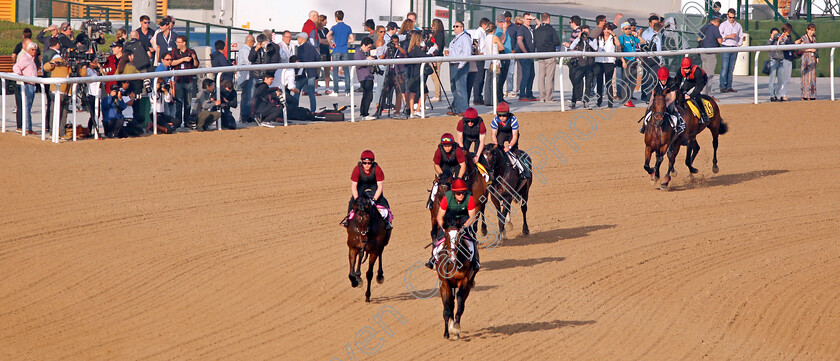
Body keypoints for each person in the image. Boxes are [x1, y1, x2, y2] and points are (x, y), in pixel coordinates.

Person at [425, 178, 479, 270]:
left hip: (464, 219)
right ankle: (433, 259)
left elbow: (472, 217)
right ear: (454, 193)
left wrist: (464, 227)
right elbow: (439, 216)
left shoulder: (469, 198)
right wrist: (443, 228)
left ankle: (475, 260)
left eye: (463, 192)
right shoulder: (446, 198)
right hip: (449, 219)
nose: (461, 195)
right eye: (458, 193)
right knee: (438, 238)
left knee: (471, 239)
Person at [341, 150, 392, 230]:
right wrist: (357, 199)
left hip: (374, 185)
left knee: (382, 200)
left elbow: (380, 187)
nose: (367, 165)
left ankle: (386, 221)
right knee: (352, 201)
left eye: (369, 163)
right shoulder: (357, 169)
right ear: (362, 162)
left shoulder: (377, 169)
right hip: (362, 185)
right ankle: (348, 220)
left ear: (372, 162)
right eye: (364, 163)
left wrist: (374, 199)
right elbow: (354, 186)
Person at [43, 52, 87, 139]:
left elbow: (82, 74)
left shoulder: (75, 64)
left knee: (64, 113)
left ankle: (62, 132)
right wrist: (53, 63)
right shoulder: (58, 60)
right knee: (54, 112)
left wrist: (84, 66)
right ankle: (53, 132)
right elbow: (46, 67)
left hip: (68, 91)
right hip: (56, 90)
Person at [491, 102, 530, 178]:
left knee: (515, 151)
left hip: (511, 134)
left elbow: (515, 136)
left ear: (508, 114)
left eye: (504, 115)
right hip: (501, 133)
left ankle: (524, 171)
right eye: (499, 115)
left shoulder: (513, 119)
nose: (502, 117)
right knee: (498, 151)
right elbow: (493, 135)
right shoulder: (495, 120)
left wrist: (509, 147)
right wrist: (496, 145)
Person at [639, 67, 681, 134]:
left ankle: (679, 125)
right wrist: (650, 104)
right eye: (662, 80)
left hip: (669, 100)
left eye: (665, 79)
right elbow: (653, 95)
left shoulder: (672, 82)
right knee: (648, 110)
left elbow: (673, 97)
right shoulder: (655, 82)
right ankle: (644, 127)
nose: (663, 81)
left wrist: (666, 104)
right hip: (658, 100)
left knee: (674, 110)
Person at [170, 35, 199, 127]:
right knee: (178, 102)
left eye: (179, 42)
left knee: (188, 103)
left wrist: (193, 58)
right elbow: (172, 62)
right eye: (176, 42)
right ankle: (178, 122)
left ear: (184, 43)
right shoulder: (175, 52)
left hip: (188, 80)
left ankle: (187, 122)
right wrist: (183, 59)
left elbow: (196, 65)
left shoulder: (191, 51)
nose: (177, 44)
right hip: (179, 80)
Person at [405, 32, 435, 118]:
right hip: (417, 73)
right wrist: (431, 54)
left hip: (414, 73)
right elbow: (424, 57)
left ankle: (413, 111)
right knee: (421, 92)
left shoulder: (412, 48)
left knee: (415, 92)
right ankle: (416, 110)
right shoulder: (416, 49)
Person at [569, 25, 598, 109]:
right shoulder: (578, 40)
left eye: (587, 32)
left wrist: (587, 40)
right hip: (579, 65)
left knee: (588, 85)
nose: (586, 34)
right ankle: (573, 101)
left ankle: (586, 101)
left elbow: (595, 48)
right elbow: (571, 47)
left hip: (589, 65)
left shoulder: (593, 40)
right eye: (584, 32)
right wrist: (578, 38)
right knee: (576, 83)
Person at [534, 13, 561, 103]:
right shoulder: (551, 30)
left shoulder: (537, 30)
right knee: (549, 77)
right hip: (550, 55)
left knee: (541, 77)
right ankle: (549, 97)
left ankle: (542, 97)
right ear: (548, 19)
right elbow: (557, 42)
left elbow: (535, 42)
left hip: (540, 55)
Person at [12, 41, 38, 135]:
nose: (34, 51)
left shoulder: (31, 59)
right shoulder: (26, 58)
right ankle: (27, 128)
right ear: (28, 50)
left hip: (32, 85)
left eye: (35, 50)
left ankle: (28, 127)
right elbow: (16, 67)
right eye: (32, 49)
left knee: (28, 107)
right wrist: (21, 76)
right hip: (27, 85)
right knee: (26, 107)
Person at [447, 21, 472, 116]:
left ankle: (464, 109)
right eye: (454, 26)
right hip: (452, 64)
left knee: (460, 88)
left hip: (460, 65)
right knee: (454, 88)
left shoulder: (465, 38)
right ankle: (457, 109)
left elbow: (467, 52)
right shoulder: (455, 39)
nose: (455, 28)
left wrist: (461, 65)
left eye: (457, 26)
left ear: (462, 27)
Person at [675, 57, 709, 124]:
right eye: (684, 68)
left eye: (687, 68)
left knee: (696, 96)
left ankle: (703, 114)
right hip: (690, 79)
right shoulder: (680, 70)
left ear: (691, 66)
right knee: (681, 92)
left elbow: (699, 86)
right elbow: (677, 83)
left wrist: (691, 95)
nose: (686, 70)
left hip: (701, 80)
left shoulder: (697, 71)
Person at [618, 21, 644, 107]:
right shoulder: (622, 38)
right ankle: (625, 99)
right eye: (626, 29)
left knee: (633, 81)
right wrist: (623, 61)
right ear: (622, 30)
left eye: (629, 28)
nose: (628, 30)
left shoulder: (632, 37)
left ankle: (629, 96)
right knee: (626, 80)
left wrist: (637, 35)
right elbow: (619, 50)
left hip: (634, 60)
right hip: (627, 60)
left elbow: (642, 41)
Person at [329, 10, 354, 96]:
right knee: (346, 71)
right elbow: (352, 39)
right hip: (344, 50)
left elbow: (328, 35)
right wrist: (345, 41)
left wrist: (331, 42)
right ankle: (348, 91)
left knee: (335, 71)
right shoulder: (348, 27)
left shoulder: (334, 27)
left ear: (336, 18)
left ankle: (336, 91)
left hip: (336, 50)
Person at [594, 24, 620, 108]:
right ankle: (599, 101)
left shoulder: (612, 38)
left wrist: (613, 34)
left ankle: (610, 102)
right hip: (599, 61)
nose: (606, 31)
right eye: (605, 29)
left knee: (608, 82)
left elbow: (618, 44)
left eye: (608, 29)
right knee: (599, 82)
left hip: (609, 62)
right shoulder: (599, 38)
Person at [718, 9, 743, 93]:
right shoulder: (723, 25)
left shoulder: (738, 25)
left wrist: (739, 44)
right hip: (725, 46)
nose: (732, 19)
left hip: (734, 47)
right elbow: (719, 34)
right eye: (730, 17)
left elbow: (741, 35)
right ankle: (722, 86)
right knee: (725, 67)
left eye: (733, 17)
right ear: (727, 16)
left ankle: (729, 86)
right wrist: (728, 36)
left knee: (731, 68)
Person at [295, 32, 320, 112]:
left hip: (302, 73)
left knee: (297, 91)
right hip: (312, 72)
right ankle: (313, 110)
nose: (297, 39)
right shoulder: (312, 48)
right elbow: (318, 58)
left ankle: (295, 109)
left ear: (302, 38)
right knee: (311, 93)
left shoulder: (299, 48)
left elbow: (299, 60)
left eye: (298, 38)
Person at [697, 17, 722, 96]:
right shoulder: (715, 28)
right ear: (717, 23)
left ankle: (703, 92)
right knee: (709, 74)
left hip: (702, 53)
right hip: (710, 53)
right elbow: (720, 41)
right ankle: (708, 94)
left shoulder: (704, 27)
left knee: (704, 74)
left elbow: (698, 39)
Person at [516, 13, 537, 101]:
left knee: (532, 74)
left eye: (530, 19)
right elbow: (519, 40)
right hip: (525, 55)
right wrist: (525, 52)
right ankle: (522, 94)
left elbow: (539, 24)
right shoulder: (522, 29)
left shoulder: (531, 28)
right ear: (523, 19)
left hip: (531, 55)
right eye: (527, 19)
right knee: (526, 74)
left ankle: (529, 93)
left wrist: (534, 18)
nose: (529, 21)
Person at [796, 23, 818, 100]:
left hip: (812, 58)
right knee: (805, 76)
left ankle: (812, 95)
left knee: (812, 76)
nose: (812, 32)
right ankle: (805, 95)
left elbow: (816, 48)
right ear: (807, 30)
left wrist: (817, 56)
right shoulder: (804, 38)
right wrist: (809, 49)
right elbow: (800, 48)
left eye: (813, 30)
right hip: (806, 58)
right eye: (811, 30)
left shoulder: (814, 38)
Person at [356, 37, 377, 120]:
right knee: (367, 95)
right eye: (368, 47)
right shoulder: (358, 52)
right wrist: (367, 59)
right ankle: (364, 114)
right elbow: (358, 64)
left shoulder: (364, 53)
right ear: (364, 45)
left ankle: (364, 113)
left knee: (368, 95)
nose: (369, 49)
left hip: (368, 76)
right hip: (364, 77)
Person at [774, 23, 795, 102]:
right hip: (784, 59)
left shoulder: (789, 37)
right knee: (783, 78)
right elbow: (780, 46)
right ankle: (781, 94)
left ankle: (783, 94)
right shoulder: (783, 37)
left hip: (789, 58)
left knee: (787, 79)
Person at [237, 34, 255, 123]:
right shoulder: (245, 50)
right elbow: (249, 62)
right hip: (246, 77)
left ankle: (243, 116)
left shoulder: (242, 50)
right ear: (250, 42)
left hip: (243, 77)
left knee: (245, 97)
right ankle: (245, 116)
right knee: (247, 98)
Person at [493, 15, 511, 103]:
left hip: (507, 55)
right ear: (497, 22)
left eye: (503, 22)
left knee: (503, 78)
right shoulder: (498, 31)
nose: (501, 24)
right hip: (501, 55)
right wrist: (504, 30)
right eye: (500, 22)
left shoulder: (505, 31)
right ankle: (498, 98)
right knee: (500, 79)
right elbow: (501, 42)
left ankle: (500, 97)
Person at [430, 19, 446, 102]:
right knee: (434, 77)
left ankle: (437, 95)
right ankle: (438, 94)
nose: (432, 27)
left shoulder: (439, 35)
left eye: (433, 25)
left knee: (435, 76)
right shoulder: (437, 34)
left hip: (436, 58)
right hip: (435, 57)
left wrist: (434, 59)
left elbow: (438, 47)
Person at [317, 15, 332, 95]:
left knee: (327, 71)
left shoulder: (326, 30)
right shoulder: (317, 30)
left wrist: (327, 41)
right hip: (320, 51)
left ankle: (327, 88)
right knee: (317, 71)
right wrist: (327, 41)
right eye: (325, 20)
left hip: (326, 51)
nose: (326, 22)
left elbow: (330, 40)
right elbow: (320, 41)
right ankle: (315, 89)